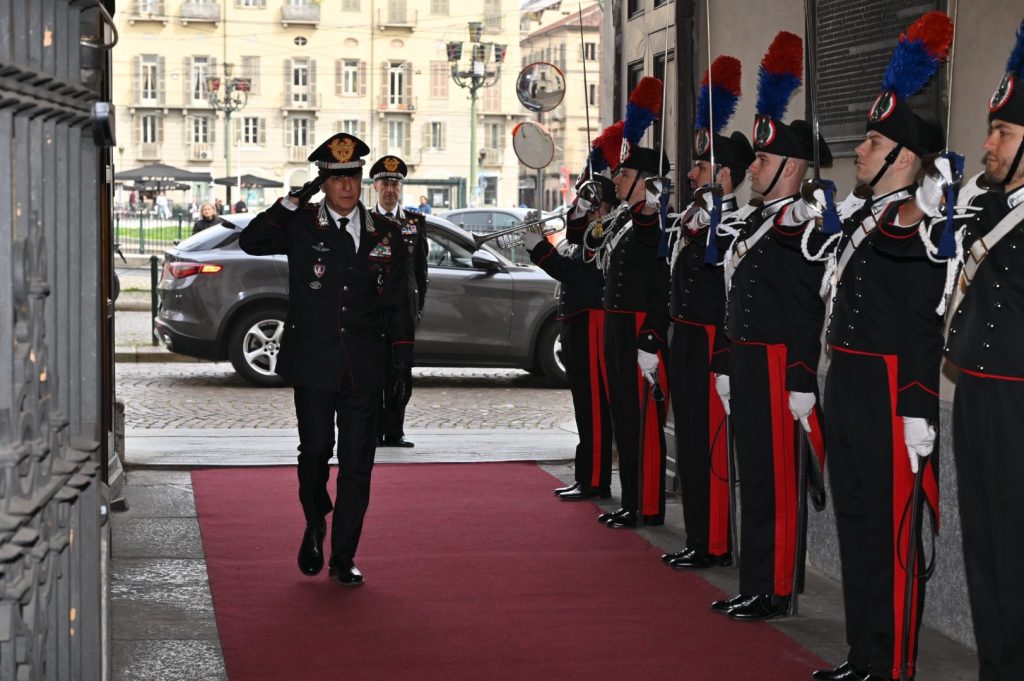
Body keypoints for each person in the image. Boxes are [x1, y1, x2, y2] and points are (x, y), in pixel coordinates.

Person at [785, 13, 952, 679]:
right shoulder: (856, 220)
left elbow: (921, 322)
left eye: (872, 142)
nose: (859, 150)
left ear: (903, 158)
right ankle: (863, 652)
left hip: (888, 389)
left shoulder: (919, 225)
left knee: (890, 532)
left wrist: (916, 401)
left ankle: (895, 662)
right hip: (848, 381)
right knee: (855, 524)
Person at [239, 133, 414, 587]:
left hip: (364, 366)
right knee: (316, 451)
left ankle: (343, 554)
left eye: (353, 177)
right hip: (314, 362)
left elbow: (398, 304)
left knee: (358, 463)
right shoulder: (301, 226)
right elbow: (251, 241)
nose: (347, 187)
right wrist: (295, 199)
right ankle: (315, 522)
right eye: (337, 179)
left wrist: (402, 364)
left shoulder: (386, 233)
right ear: (324, 182)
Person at [712, 31, 830, 621]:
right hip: (751, 361)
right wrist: (730, 358)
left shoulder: (800, 225)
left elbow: (808, 307)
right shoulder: (760, 223)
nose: (751, 166)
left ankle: (777, 587)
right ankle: (754, 579)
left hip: (783, 364)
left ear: (791, 166)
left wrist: (803, 377)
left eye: (761, 159)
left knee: (782, 482)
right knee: (755, 476)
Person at [942, 20, 1024, 680]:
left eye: (1003, 133)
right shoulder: (987, 209)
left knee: (1017, 549)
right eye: (992, 130)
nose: (988, 143)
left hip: (1019, 405)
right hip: (974, 390)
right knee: (984, 545)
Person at [661, 55, 753, 570]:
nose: (691, 173)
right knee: (691, 441)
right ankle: (698, 535)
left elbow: (729, 292)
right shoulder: (692, 219)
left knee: (712, 446)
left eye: (699, 166)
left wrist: (722, 357)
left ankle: (716, 540)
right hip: (684, 339)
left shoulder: (739, 226)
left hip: (715, 345)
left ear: (723, 174)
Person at [587, 76, 670, 530]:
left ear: (646, 181)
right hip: (617, 325)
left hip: (639, 326)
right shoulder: (624, 218)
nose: (616, 179)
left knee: (643, 420)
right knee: (623, 414)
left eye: (624, 173)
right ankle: (632, 497)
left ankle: (649, 503)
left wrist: (651, 337)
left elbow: (663, 284)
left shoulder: (652, 222)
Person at [522, 173, 617, 501]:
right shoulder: (588, 233)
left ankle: (594, 479)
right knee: (584, 404)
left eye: (586, 201)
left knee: (593, 405)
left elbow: (578, 276)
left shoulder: (603, 231)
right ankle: (587, 475)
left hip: (592, 321)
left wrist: (539, 252)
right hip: (580, 322)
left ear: (600, 205)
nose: (578, 208)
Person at [369, 155, 429, 448]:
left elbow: (421, 270)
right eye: (385, 183)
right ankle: (375, 430)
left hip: (403, 311)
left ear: (401, 187)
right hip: (372, 310)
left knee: (401, 371)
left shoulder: (415, 223)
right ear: (375, 187)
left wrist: (417, 306)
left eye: (395, 183)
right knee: (374, 370)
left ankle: (395, 431)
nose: (390, 189)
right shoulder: (364, 220)